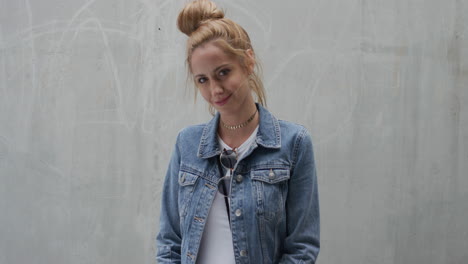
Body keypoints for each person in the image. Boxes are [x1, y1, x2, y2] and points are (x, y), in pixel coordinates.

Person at [156, 0, 320, 263]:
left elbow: (302, 248)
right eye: (203, 80)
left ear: (248, 60)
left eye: (223, 72)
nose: (215, 89)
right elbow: (169, 242)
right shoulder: (186, 144)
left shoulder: (293, 144)